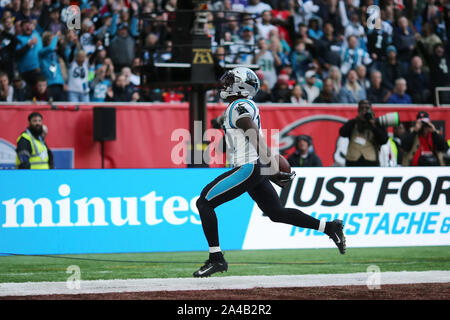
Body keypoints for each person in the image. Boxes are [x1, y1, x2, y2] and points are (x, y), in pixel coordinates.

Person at [193, 67, 346, 278]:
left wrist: (270, 166)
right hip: (254, 166)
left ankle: (216, 259)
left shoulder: (238, 105)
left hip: (249, 167)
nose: (225, 85)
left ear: (241, 85)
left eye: (230, 81)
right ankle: (329, 227)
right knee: (277, 213)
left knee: (204, 202)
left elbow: (253, 134)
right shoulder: (241, 105)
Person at [339, 99, 388, 166]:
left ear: (371, 109)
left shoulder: (376, 124)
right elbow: (342, 133)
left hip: (371, 162)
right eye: (362, 108)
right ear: (358, 110)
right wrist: (356, 120)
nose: (364, 110)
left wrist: (373, 125)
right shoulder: (353, 123)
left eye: (367, 108)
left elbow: (384, 140)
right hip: (353, 161)